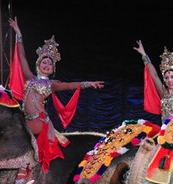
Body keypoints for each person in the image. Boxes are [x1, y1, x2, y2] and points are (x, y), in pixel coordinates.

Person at [8, 17, 105, 171]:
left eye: (50, 64)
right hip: (25, 118)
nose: (47, 65)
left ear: (53, 69)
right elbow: (22, 57)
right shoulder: (29, 77)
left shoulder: (52, 84)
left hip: (39, 121)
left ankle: (23, 166)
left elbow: (70, 85)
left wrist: (88, 83)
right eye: (44, 62)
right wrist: (18, 34)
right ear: (38, 64)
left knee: (15, 134)